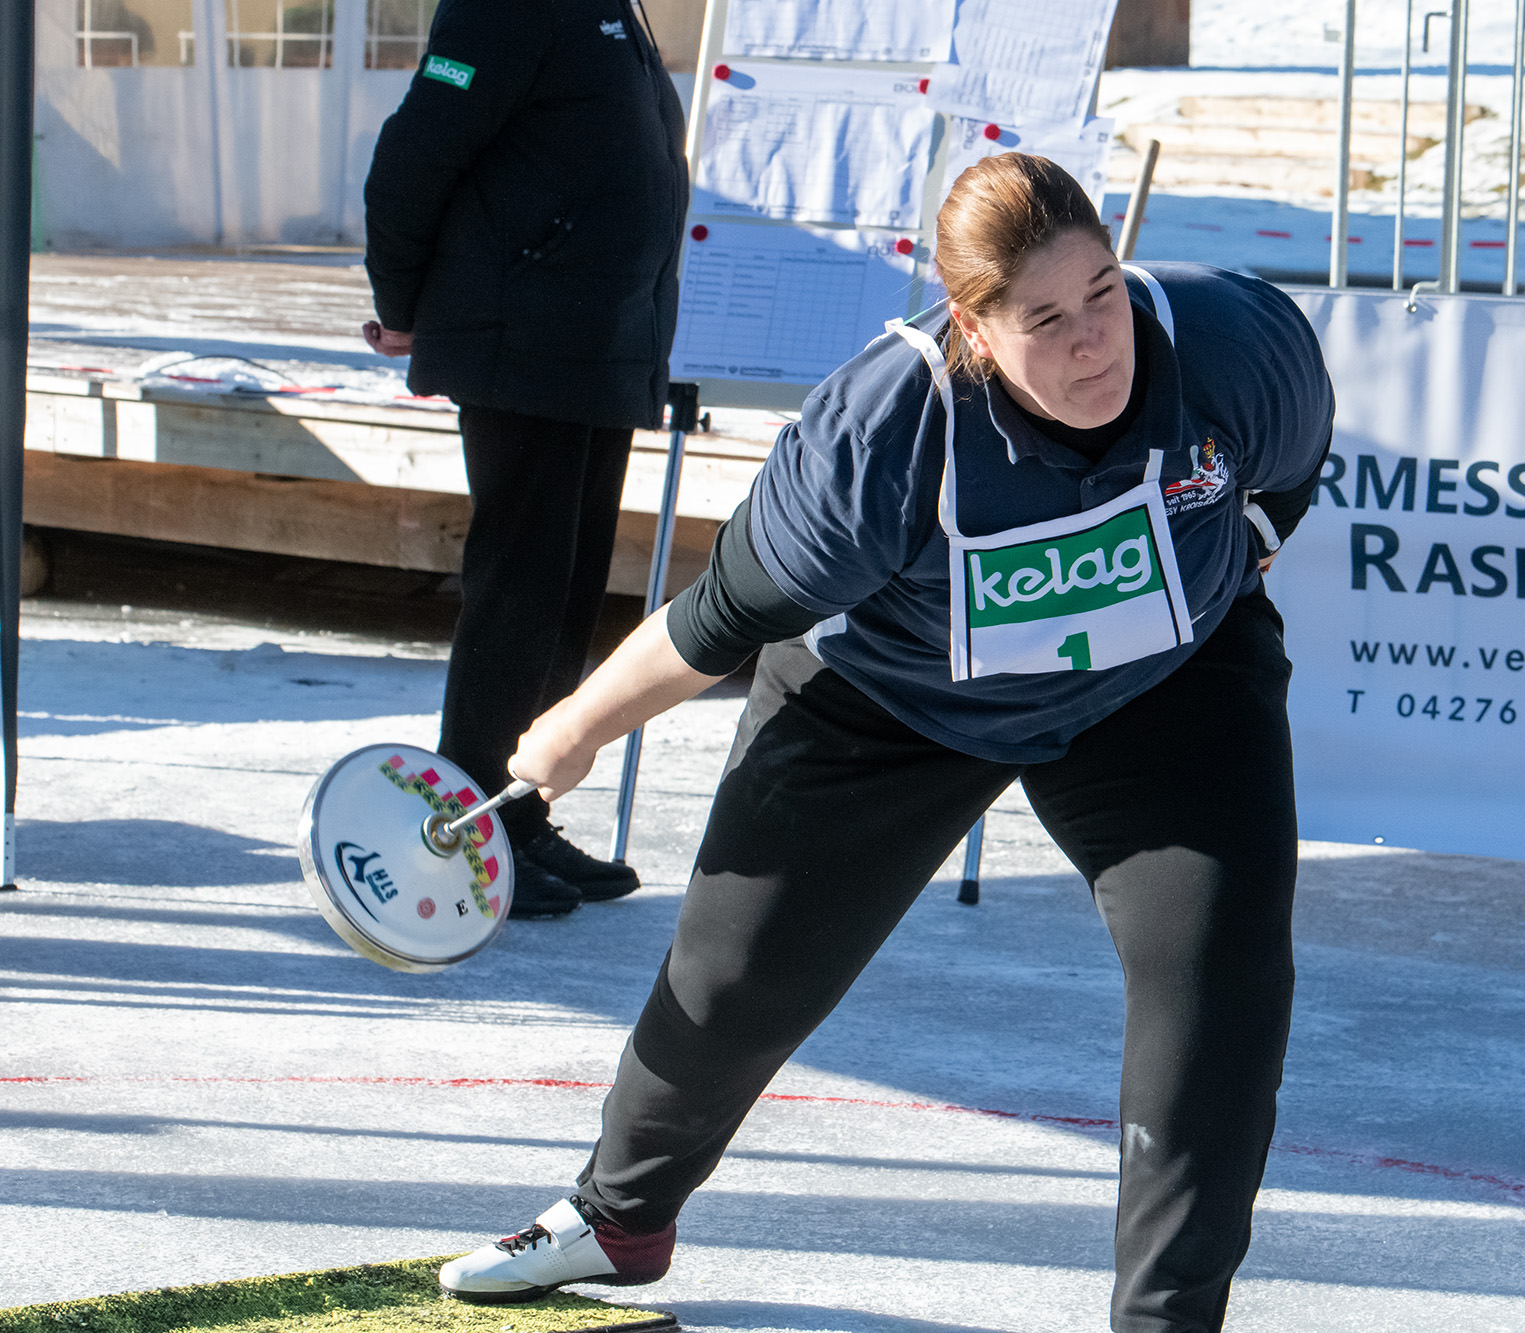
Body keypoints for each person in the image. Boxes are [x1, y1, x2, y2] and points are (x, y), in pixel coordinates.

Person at [438, 154, 1334, 1331]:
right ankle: (617, 1218)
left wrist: (1253, 534)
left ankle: (1167, 1319)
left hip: (1158, 684)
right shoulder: (885, 435)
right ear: (971, 323)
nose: (1091, 343)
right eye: (1044, 318)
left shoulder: (1231, 342)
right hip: (895, 700)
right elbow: (718, 620)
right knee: (730, 981)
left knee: (1220, 980)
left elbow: (1289, 469)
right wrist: (569, 728)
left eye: (1102, 293)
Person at [359, 0, 689, 917]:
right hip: (524, 342)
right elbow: (413, 157)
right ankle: (470, 823)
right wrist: (405, 302)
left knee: (568, 595)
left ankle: (522, 813)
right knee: (518, 596)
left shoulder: (611, 10)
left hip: (602, 347)